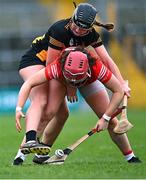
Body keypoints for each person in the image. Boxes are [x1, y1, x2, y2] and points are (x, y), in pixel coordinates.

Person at [13, 3, 141, 165]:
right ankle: (20, 155)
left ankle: (131, 157)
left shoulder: (95, 66)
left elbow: (108, 61)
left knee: (110, 121)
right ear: (72, 19)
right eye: (77, 26)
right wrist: (70, 87)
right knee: (48, 109)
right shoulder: (60, 34)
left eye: (84, 29)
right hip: (49, 65)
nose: (79, 31)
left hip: (74, 70)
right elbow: (50, 65)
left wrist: (120, 87)